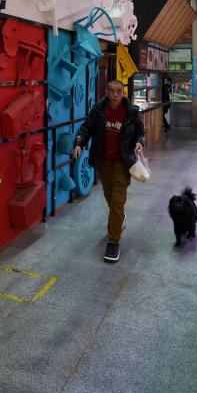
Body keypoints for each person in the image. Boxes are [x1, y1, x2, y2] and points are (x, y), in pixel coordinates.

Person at [72, 80, 145, 263]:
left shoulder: (131, 112)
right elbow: (86, 129)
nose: (114, 94)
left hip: (123, 162)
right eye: (111, 91)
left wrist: (139, 143)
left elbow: (140, 132)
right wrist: (79, 143)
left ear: (123, 92)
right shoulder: (98, 111)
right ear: (107, 91)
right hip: (103, 162)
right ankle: (119, 218)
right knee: (110, 198)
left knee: (117, 202)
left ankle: (113, 242)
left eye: (118, 91)